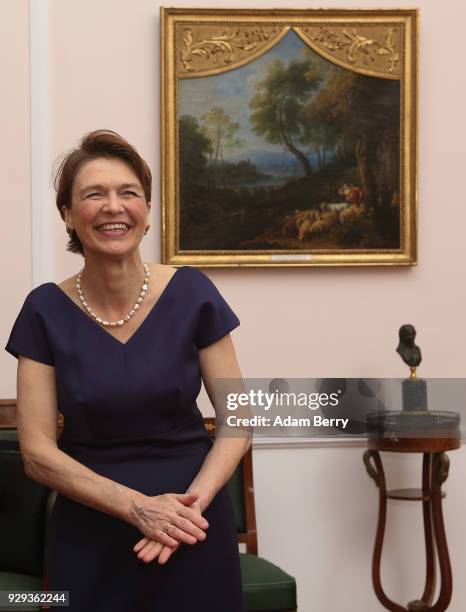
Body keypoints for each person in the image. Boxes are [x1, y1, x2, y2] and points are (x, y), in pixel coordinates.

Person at [4, 130, 250, 611]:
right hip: (92, 529)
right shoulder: (43, 311)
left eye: (128, 193)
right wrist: (137, 508)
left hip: (191, 523)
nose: (113, 207)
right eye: (94, 195)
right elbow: (35, 452)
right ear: (68, 215)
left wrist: (186, 510)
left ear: (147, 208)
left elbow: (238, 420)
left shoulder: (194, 292)